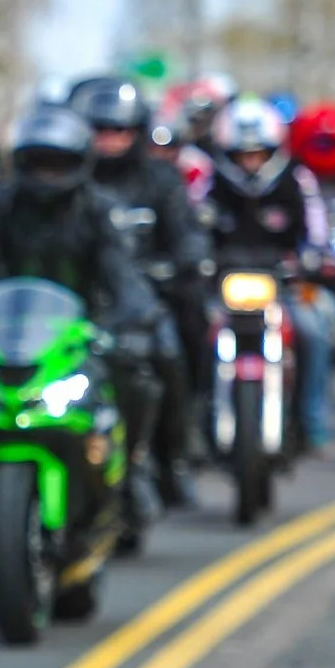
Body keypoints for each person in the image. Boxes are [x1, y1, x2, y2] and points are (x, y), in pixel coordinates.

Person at [0, 104, 163, 465]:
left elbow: (123, 275)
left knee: (139, 377)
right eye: (40, 164)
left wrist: (134, 322)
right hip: (5, 335)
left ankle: (133, 468)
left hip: (81, 336)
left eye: (57, 165)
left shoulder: (98, 211)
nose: (48, 176)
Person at [72, 75, 207, 508]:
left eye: (120, 131)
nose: (110, 140)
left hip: (144, 303)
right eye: (100, 131)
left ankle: (172, 459)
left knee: (168, 356)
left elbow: (187, 231)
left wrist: (187, 257)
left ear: (137, 132)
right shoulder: (67, 182)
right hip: (79, 306)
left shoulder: (161, 179)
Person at [209, 97, 335, 451]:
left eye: (259, 153)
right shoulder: (211, 183)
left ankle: (311, 423)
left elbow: (317, 234)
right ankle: (196, 426)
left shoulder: (297, 180)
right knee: (189, 334)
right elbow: (192, 229)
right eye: (241, 154)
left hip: (283, 287)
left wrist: (315, 261)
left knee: (313, 331)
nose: (251, 162)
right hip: (223, 291)